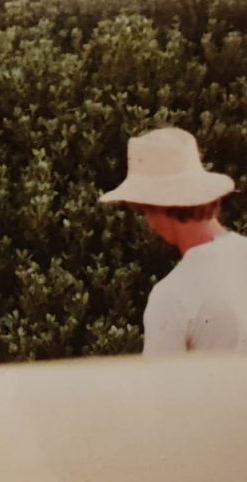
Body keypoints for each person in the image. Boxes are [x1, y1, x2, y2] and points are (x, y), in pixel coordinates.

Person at [100, 127, 247, 355]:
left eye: (144, 211)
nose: (149, 223)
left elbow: (161, 390)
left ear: (158, 207)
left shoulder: (171, 296)